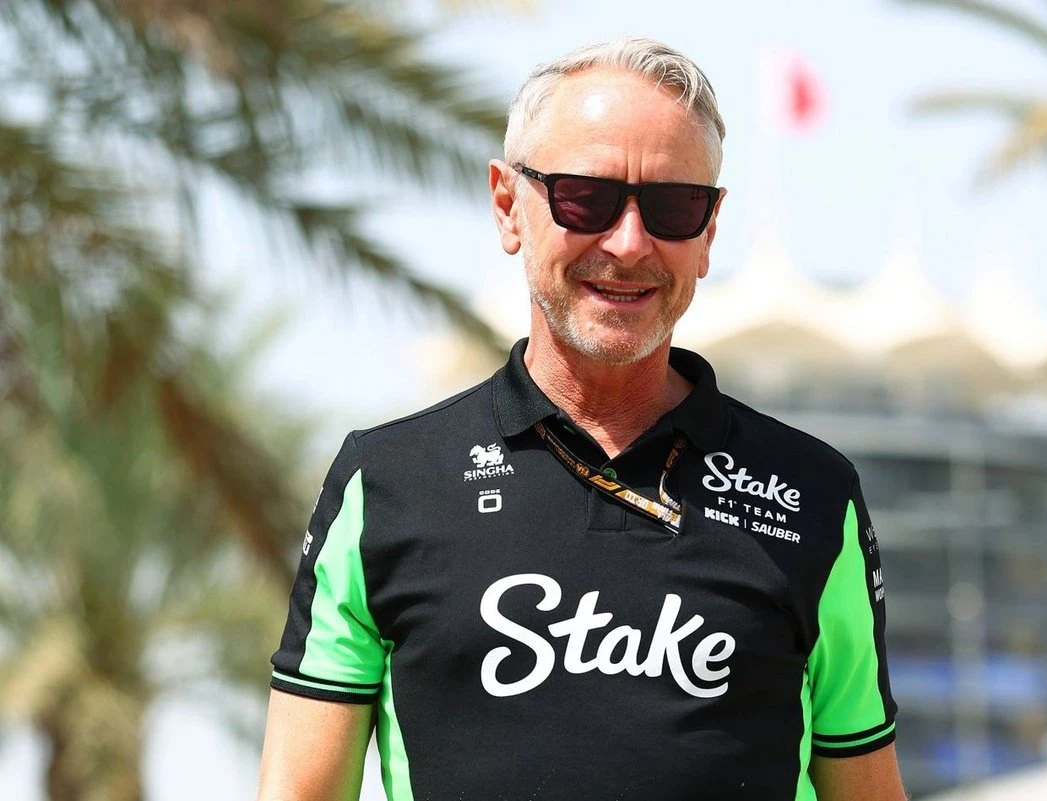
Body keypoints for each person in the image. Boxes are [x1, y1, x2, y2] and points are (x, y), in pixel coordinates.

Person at [257, 37, 906, 801]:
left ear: (708, 232)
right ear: (508, 206)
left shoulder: (813, 494)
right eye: (585, 198)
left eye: (673, 206)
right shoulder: (388, 483)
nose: (629, 243)